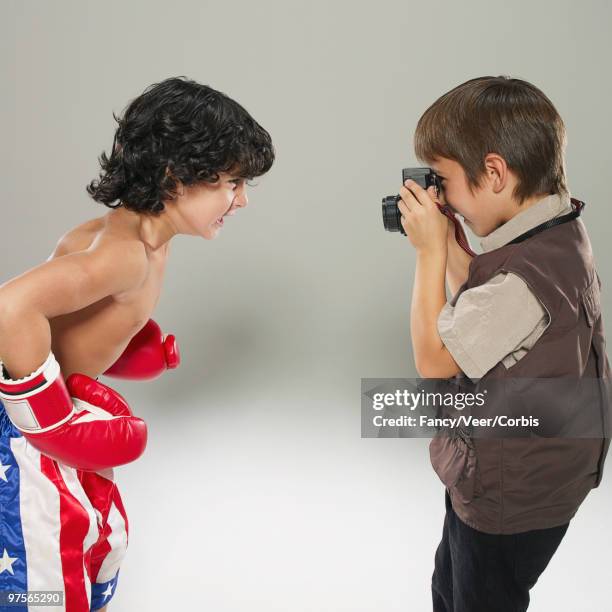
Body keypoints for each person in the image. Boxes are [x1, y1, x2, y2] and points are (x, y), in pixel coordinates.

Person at [0, 76, 274, 611]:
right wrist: (47, 417)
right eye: (231, 183)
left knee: (98, 549)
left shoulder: (143, 242)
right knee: (44, 586)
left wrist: (127, 344)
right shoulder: (121, 255)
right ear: (177, 176)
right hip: (32, 440)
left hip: (61, 430)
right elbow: (11, 308)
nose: (241, 201)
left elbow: (66, 321)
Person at [397, 76, 610, 611]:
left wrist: (427, 255)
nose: (442, 196)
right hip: (542, 468)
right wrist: (448, 244)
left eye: (445, 181)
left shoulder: (523, 282)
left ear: (493, 173)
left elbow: (435, 362)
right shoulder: (559, 232)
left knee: (477, 597)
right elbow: (486, 302)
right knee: (449, 585)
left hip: (508, 493)